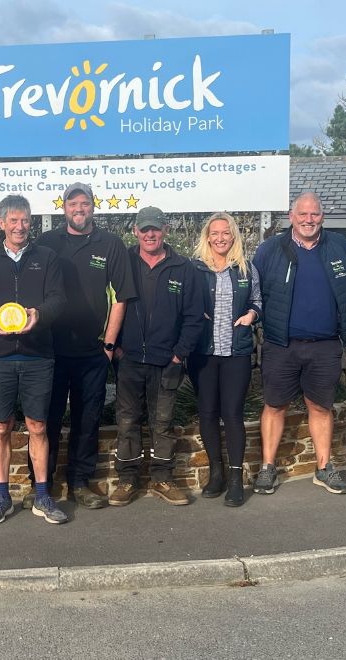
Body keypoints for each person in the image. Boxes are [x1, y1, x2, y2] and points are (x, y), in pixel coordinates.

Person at [34, 182, 136, 509]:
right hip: (49, 350)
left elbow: (121, 297)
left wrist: (109, 344)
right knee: (46, 420)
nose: (79, 208)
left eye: (85, 203)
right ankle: (44, 485)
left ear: (94, 207)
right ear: (63, 208)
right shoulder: (47, 242)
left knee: (86, 421)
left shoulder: (110, 244)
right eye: (73, 203)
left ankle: (80, 482)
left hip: (92, 352)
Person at [0, 194, 67, 526]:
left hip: (38, 354)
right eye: (13, 220)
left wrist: (41, 314)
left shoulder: (47, 258)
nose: (20, 226)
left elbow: (58, 300)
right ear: (1, 224)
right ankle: (3, 496)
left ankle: (42, 495)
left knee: (38, 426)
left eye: (25, 220)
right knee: (0, 426)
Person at [251, 192, 346, 496]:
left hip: (325, 345)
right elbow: (255, 293)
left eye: (315, 214)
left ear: (322, 216)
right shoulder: (270, 249)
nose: (309, 220)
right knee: (274, 405)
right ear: (291, 216)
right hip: (281, 344)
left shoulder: (340, 247)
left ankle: (323, 469)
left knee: (321, 407)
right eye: (303, 214)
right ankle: (268, 468)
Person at [110, 207, 205, 507]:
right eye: (144, 229)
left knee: (162, 423)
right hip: (129, 360)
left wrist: (179, 356)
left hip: (167, 362)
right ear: (135, 231)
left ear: (165, 230)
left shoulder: (183, 267)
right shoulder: (124, 261)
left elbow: (193, 317)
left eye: (155, 229)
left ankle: (163, 478)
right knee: (127, 421)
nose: (150, 234)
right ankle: (127, 479)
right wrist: (118, 349)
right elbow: (109, 302)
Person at [187, 212, 261, 508]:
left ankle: (235, 479)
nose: (220, 238)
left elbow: (258, 300)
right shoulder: (194, 269)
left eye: (225, 233)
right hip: (203, 352)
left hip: (236, 352)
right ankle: (215, 472)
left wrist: (251, 316)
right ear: (207, 237)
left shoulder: (246, 268)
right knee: (207, 413)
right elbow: (183, 302)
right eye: (214, 233)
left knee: (232, 414)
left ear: (234, 237)